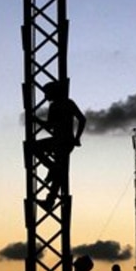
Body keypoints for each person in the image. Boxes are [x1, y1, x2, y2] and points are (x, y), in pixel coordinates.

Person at [37, 81, 87, 211]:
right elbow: (82, 119)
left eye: (46, 93)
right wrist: (76, 138)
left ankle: (51, 168)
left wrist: (36, 120)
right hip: (67, 141)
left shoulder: (56, 106)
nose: (45, 97)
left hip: (60, 141)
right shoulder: (68, 103)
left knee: (34, 147)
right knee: (60, 173)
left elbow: (49, 126)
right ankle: (50, 200)